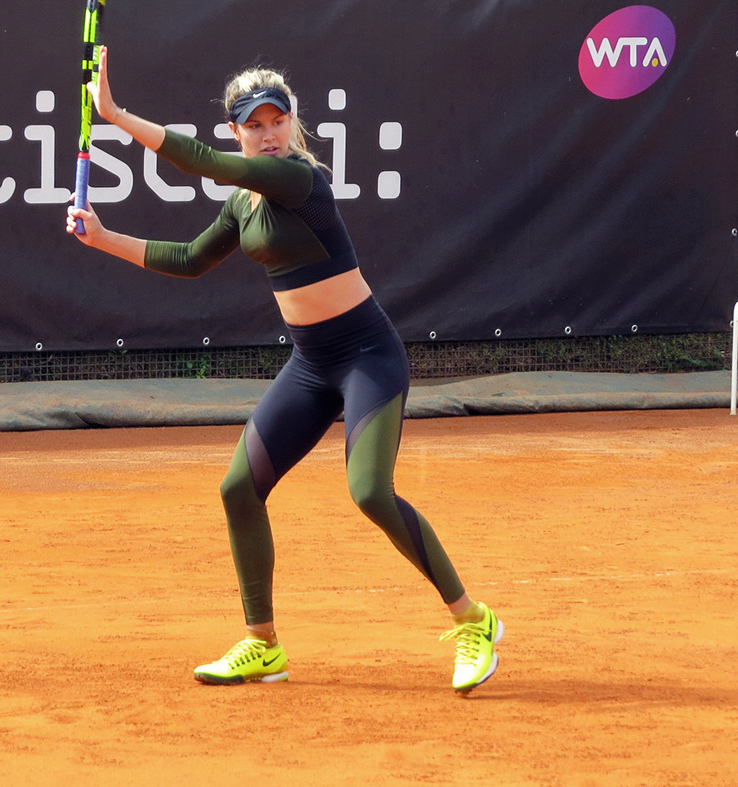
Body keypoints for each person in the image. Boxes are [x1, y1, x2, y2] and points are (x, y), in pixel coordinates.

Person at [66, 46, 500, 694]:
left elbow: (208, 166)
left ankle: (472, 620)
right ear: (236, 128)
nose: (267, 134)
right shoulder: (243, 205)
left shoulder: (298, 178)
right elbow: (188, 259)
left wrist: (117, 115)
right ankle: (261, 644)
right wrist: (104, 238)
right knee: (237, 488)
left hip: (367, 358)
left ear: (293, 125)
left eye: (277, 120)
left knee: (369, 493)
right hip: (311, 365)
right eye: (253, 124)